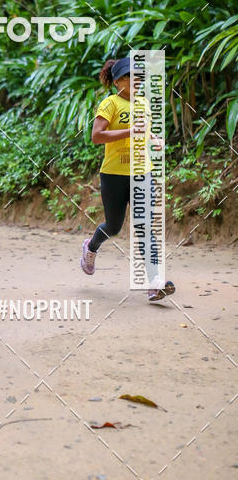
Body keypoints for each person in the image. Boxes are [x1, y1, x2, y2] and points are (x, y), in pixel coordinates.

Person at [80, 57, 175, 302]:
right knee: (114, 227)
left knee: (144, 228)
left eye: (140, 78)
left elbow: (146, 128)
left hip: (142, 172)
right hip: (114, 174)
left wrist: (154, 139)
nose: (138, 82)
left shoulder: (144, 103)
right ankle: (91, 247)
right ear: (118, 81)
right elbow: (97, 136)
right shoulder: (110, 104)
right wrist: (130, 131)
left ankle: (155, 283)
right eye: (132, 77)